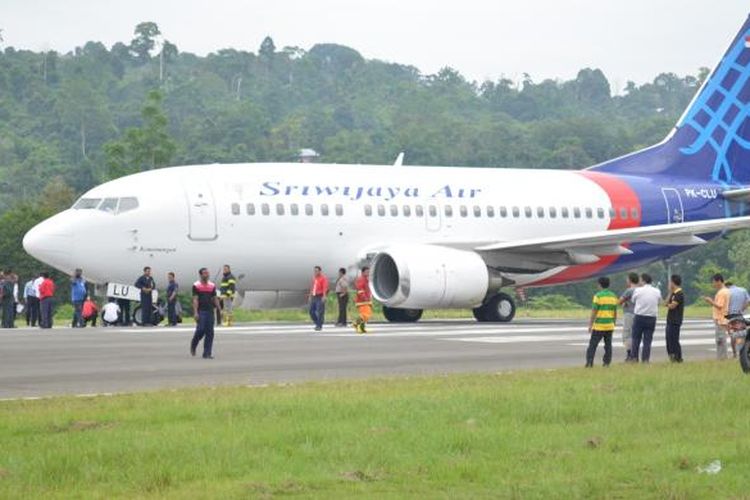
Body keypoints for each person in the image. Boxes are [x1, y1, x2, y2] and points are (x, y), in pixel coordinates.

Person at [629, 273, 662, 363]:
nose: (639, 281)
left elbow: (633, 300)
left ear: (643, 280)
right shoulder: (657, 291)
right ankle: (645, 359)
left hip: (639, 316)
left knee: (636, 338)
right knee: (647, 340)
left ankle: (634, 358)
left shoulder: (638, 290)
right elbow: (659, 302)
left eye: (640, 280)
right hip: (651, 318)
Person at [586, 276, 617, 367]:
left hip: (599, 325)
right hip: (609, 325)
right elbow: (615, 311)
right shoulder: (613, 296)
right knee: (608, 346)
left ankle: (589, 362)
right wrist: (614, 323)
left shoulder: (598, 296)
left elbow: (594, 311)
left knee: (593, 345)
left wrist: (590, 324)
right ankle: (607, 363)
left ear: (599, 285)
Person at [190, 267, 220, 359]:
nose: (207, 275)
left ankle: (207, 353)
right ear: (201, 275)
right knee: (200, 329)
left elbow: (215, 298)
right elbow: (195, 299)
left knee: (210, 332)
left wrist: (219, 309)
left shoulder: (212, 285)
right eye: (205, 273)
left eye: (208, 273)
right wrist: (195, 312)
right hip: (201, 311)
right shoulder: (196, 285)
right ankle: (194, 343)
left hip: (210, 311)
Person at [703, 273, 730, 360]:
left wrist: (710, 301)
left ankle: (722, 358)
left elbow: (719, 306)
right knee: (721, 339)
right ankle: (722, 357)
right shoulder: (726, 290)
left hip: (720, 319)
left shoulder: (722, 292)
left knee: (720, 340)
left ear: (719, 281)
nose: (713, 284)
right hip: (723, 318)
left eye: (714, 282)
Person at [618, 273, 640, 361]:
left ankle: (629, 355)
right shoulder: (640, 290)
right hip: (638, 314)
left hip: (629, 314)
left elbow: (619, 301)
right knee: (635, 335)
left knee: (627, 335)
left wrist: (624, 303)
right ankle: (635, 354)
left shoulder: (629, 291)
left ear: (630, 280)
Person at [725, 281, 749, 357]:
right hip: (739, 315)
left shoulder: (727, 291)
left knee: (733, 335)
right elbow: (749, 301)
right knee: (742, 334)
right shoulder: (743, 290)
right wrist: (742, 309)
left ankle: (735, 354)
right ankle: (743, 352)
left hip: (731, 316)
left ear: (727, 286)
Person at [665, 274, 685, 363]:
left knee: (674, 340)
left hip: (675, 321)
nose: (669, 284)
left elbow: (672, 306)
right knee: (669, 340)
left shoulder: (679, 293)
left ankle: (678, 357)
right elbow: (665, 303)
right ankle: (672, 357)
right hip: (670, 320)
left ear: (673, 282)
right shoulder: (673, 293)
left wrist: (667, 305)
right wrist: (669, 293)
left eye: (670, 282)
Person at [309, 266, 329, 331]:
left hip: (320, 296)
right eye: (315, 271)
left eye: (317, 271)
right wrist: (310, 295)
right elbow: (312, 287)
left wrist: (324, 296)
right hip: (314, 296)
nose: (315, 272)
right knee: (311, 311)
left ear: (320, 271)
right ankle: (317, 323)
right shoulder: (314, 278)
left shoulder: (323, 278)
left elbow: (325, 287)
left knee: (320, 311)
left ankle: (319, 325)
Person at [353, 267, 372, 334]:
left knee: (366, 315)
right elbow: (360, 290)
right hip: (362, 301)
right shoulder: (361, 279)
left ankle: (362, 328)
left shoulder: (366, 279)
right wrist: (364, 297)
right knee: (364, 315)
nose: (368, 273)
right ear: (362, 272)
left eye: (368, 271)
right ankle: (357, 324)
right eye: (367, 271)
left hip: (366, 300)